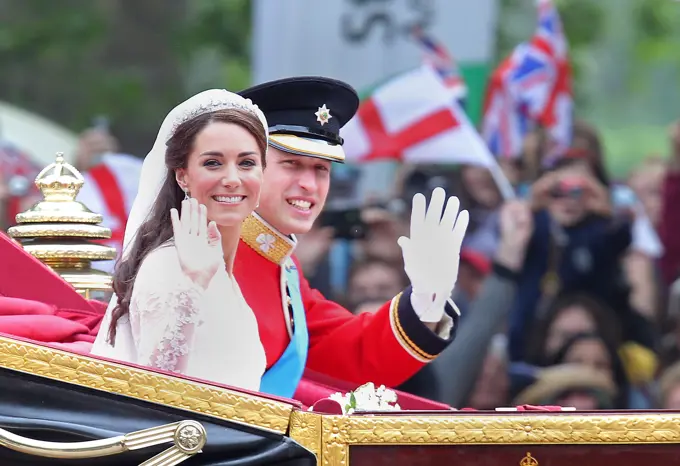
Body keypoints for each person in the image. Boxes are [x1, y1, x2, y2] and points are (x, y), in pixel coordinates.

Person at [234, 77, 469, 398]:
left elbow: (346, 353)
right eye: (292, 163)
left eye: (321, 169)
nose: (309, 184)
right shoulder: (204, 248)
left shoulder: (281, 267)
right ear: (246, 166)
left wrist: (426, 301)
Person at [91, 89, 269, 391]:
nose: (232, 178)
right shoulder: (168, 265)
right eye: (213, 163)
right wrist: (192, 286)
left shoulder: (214, 265)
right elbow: (157, 392)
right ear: (182, 175)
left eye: (247, 163)